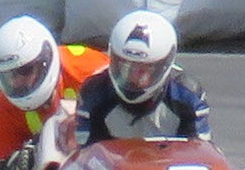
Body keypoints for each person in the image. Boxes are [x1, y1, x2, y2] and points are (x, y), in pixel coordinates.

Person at [0, 15, 105, 170]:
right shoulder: (4, 106)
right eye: (9, 76)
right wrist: (18, 165)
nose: (18, 82)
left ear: (46, 59)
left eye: (25, 71)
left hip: (106, 158)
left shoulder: (88, 68)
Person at [70, 10, 210, 146]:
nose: (133, 78)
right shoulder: (94, 93)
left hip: (169, 161)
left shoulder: (187, 95)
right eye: (125, 68)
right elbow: (86, 154)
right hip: (114, 161)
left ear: (164, 65)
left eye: (145, 70)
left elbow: (198, 152)